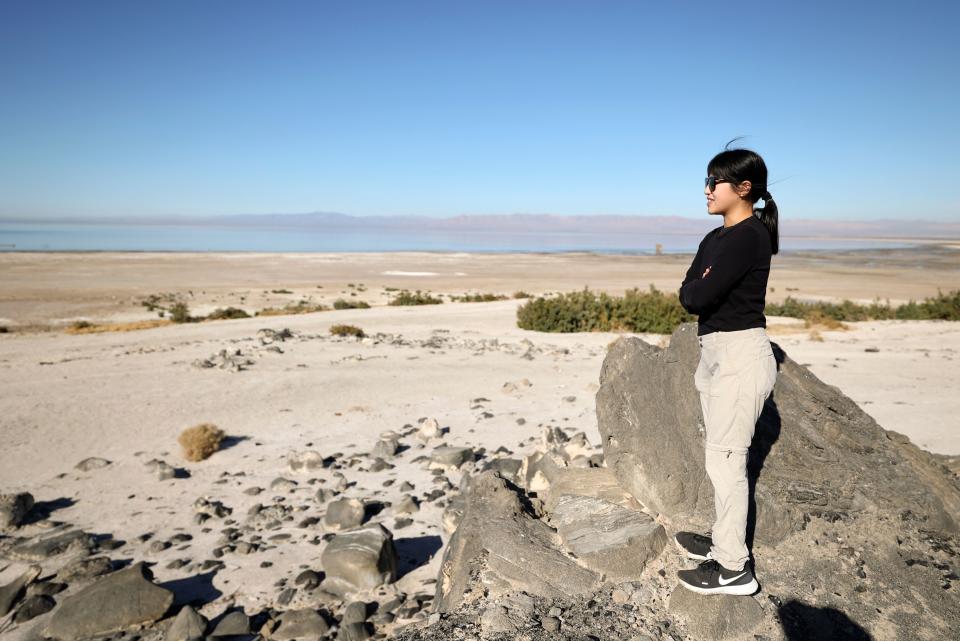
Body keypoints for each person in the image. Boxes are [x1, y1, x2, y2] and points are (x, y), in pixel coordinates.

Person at [673, 140, 780, 596]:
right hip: (714, 352)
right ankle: (721, 542)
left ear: (744, 187)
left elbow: (698, 295)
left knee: (728, 461)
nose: (707, 189)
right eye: (706, 181)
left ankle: (734, 568)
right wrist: (699, 286)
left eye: (714, 181)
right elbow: (689, 291)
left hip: (739, 354)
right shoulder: (714, 238)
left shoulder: (750, 235)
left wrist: (699, 286)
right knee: (719, 457)